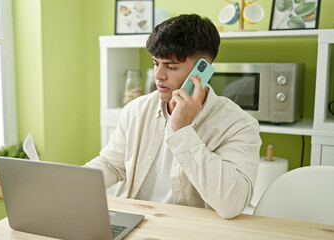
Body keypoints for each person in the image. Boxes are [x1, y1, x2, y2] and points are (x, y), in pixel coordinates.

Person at [85, 14, 262, 219]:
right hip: (135, 222)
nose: (158, 75)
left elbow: (232, 204)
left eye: (171, 67)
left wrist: (182, 130)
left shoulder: (239, 125)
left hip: (190, 231)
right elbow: (111, 165)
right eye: (155, 63)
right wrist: (72, 184)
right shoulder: (136, 110)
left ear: (202, 69)